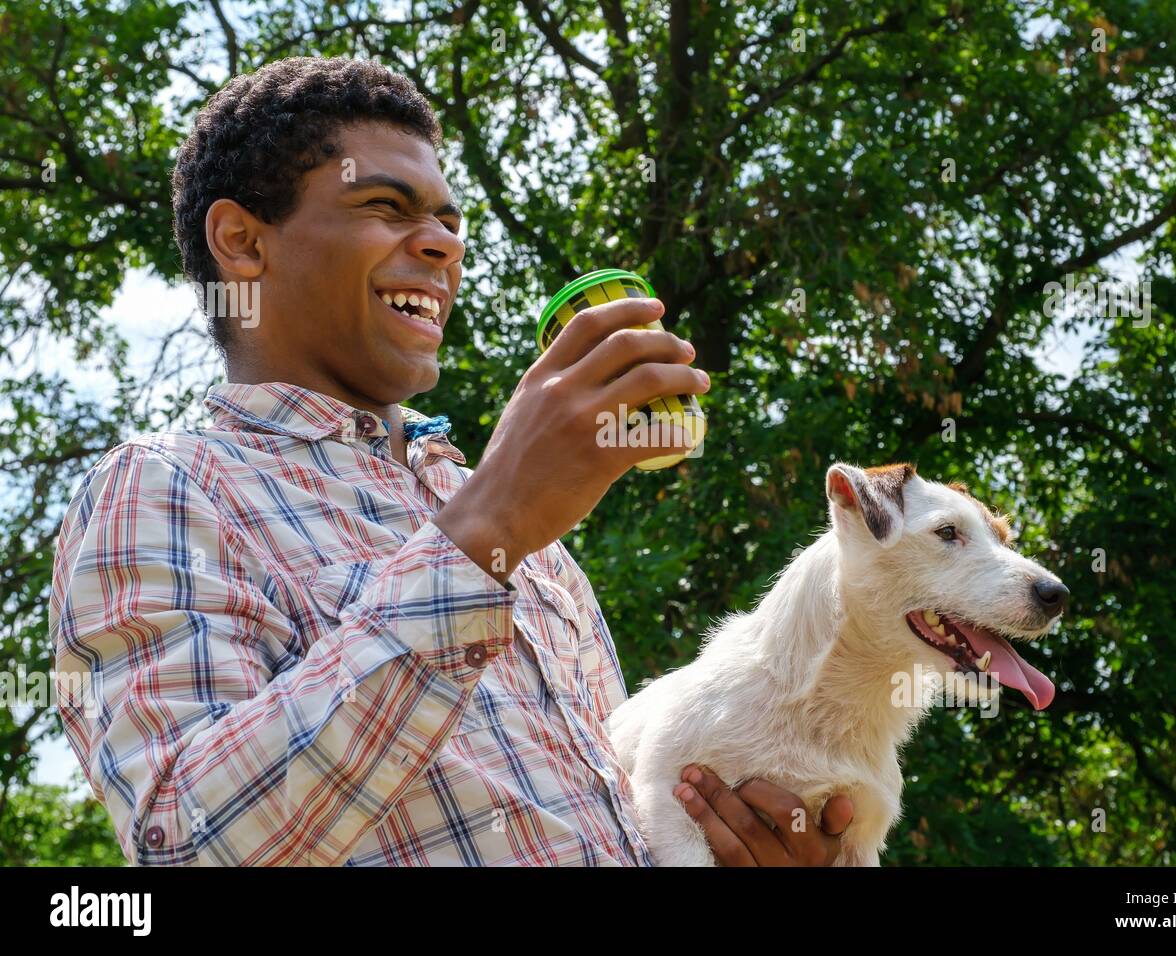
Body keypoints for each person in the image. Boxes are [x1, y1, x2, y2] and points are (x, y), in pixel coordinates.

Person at [49, 56, 853, 866]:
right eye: (385, 206)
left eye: (449, 221)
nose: (441, 245)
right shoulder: (162, 486)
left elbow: (623, 818)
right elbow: (186, 843)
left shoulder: (507, 522)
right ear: (243, 242)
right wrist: (487, 530)